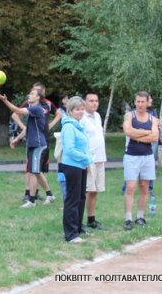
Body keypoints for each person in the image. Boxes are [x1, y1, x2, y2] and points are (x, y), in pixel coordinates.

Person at [0, 88, 51, 208]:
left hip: (38, 145)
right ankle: (49, 194)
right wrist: (17, 139)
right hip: (33, 145)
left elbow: (16, 110)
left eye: (32, 94)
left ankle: (32, 201)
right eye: (30, 93)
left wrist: (5, 101)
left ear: (38, 97)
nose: (29, 95)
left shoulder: (36, 109)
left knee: (33, 171)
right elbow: (28, 129)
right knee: (35, 172)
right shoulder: (34, 111)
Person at [10, 82, 60, 204]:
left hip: (41, 140)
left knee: (38, 170)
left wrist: (50, 125)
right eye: (31, 91)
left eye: (35, 91)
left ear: (41, 93)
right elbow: (15, 113)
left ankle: (41, 195)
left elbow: (58, 114)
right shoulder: (29, 103)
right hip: (34, 140)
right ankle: (30, 195)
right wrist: (23, 129)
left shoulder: (46, 104)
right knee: (32, 169)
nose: (30, 94)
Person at [122, 91, 159, 230]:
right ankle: (128, 218)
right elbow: (128, 132)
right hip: (131, 156)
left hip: (147, 157)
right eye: (138, 101)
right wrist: (146, 133)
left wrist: (136, 135)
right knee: (130, 187)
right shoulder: (129, 115)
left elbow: (155, 137)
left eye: (143, 101)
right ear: (135, 101)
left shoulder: (153, 119)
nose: (140, 104)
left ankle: (140, 217)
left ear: (147, 102)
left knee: (145, 187)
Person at [59, 96, 92, 243]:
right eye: (77, 109)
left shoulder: (78, 125)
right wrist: (85, 158)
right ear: (70, 111)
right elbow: (69, 149)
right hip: (72, 166)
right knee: (72, 200)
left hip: (80, 166)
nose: (80, 112)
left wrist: (86, 160)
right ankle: (70, 234)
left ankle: (78, 228)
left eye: (82, 109)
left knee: (81, 198)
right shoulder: (68, 127)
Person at [81, 93, 107, 230]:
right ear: (85, 103)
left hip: (100, 158)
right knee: (85, 191)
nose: (94, 103)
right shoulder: (82, 117)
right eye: (91, 101)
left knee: (95, 190)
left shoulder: (97, 116)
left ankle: (92, 220)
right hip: (88, 159)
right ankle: (79, 221)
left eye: (96, 101)